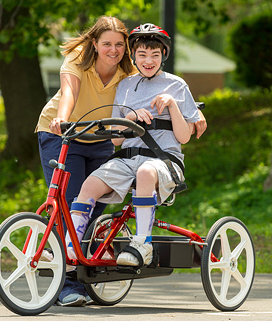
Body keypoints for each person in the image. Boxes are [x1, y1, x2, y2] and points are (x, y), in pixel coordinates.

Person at [64, 23, 201, 269]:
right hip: (127, 158)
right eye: (142, 55)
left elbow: (184, 137)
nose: (149, 60)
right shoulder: (125, 86)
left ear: (163, 56)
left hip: (164, 161)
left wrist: (172, 105)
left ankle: (142, 244)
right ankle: (70, 246)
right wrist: (129, 117)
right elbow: (116, 140)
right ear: (134, 56)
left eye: (155, 55)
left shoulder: (177, 86)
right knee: (89, 185)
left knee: (145, 172)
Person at [35, 16, 135, 307]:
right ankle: (65, 285)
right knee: (70, 205)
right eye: (107, 44)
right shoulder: (78, 59)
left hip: (100, 137)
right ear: (95, 43)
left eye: (119, 44)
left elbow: (154, 89)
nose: (113, 50)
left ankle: (71, 262)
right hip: (61, 133)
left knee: (91, 205)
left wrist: (192, 112)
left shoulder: (128, 71)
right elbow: (69, 92)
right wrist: (63, 119)